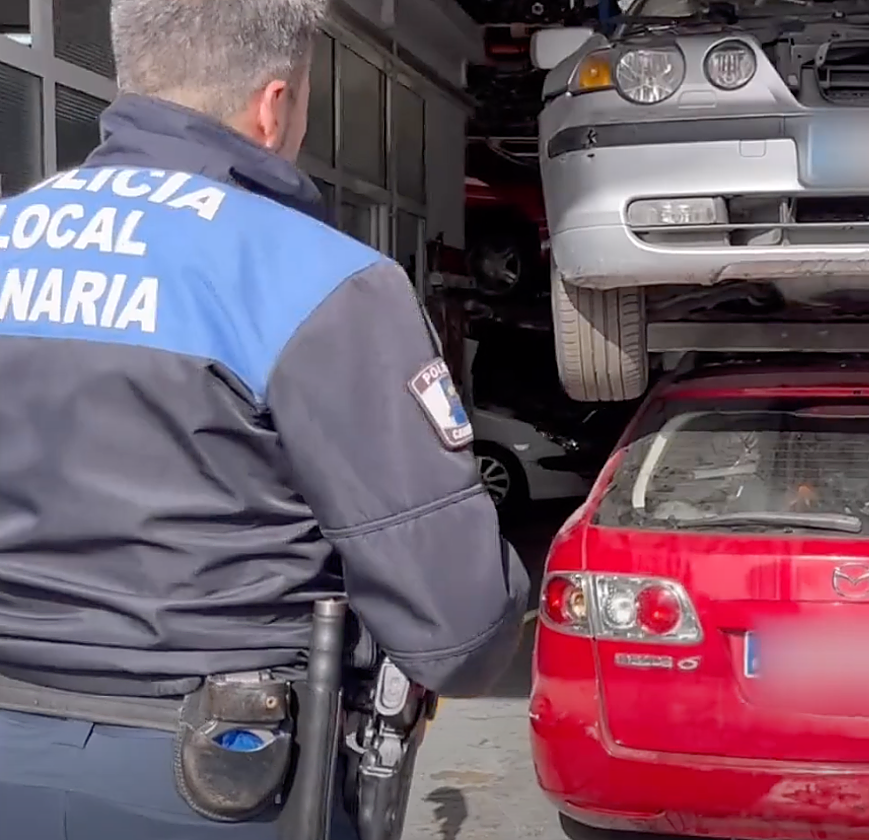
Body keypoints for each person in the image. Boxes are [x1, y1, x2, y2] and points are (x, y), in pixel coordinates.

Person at [0, 0, 530, 837]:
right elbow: (454, 630)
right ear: (273, 104)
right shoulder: (323, 281)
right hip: (215, 782)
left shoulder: (8, 238)